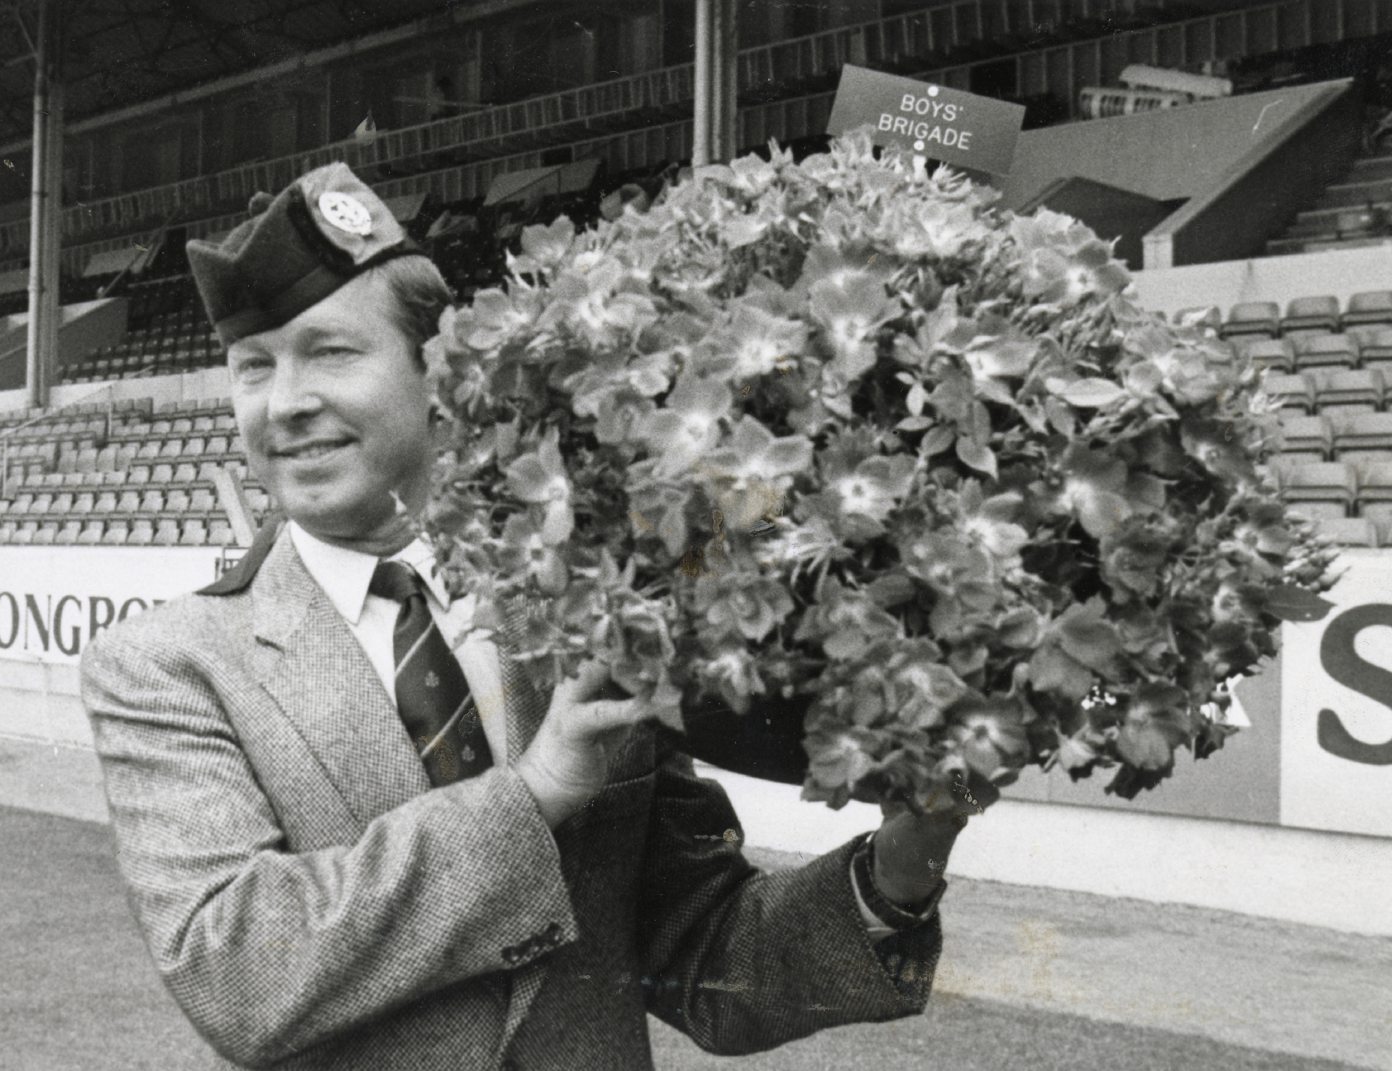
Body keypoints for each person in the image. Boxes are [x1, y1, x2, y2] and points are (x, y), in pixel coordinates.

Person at [80, 162, 987, 1070]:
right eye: (252, 368)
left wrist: (905, 861)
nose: (285, 403)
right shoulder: (167, 664)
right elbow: (234, 969)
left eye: (329, 352)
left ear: (438, 372)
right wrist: (532, 794)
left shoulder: (591, 604)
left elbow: (706, 960)